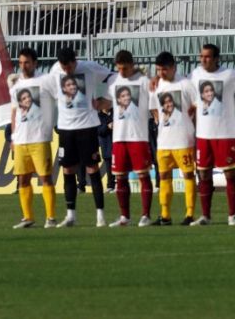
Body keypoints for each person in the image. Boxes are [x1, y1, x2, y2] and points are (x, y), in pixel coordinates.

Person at [46, 46, 114, 228]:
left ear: (75, 61)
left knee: (92, 169)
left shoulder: (89, 68)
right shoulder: (54, 70)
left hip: (87, 127)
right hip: (66, 129)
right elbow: (51, 93)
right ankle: (71, 216)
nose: (67, 70)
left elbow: (113, 77)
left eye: (69, 66)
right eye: (64, 67)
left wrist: (106, 99)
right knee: (68, 171)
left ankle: (100, 215)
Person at [99, 50, 153, 228]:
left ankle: (145, 215)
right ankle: (125, 217)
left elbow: (154, 105)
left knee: (143, 175)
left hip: (138, 137)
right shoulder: (114, 81)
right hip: (119, 137)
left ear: (132, 65)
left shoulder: (143, 81)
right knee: (120, 178)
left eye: (125, 68)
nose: (122, 71)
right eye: (119, 68)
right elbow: (107, 102)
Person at [9, 46, 56, 229]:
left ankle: (51, 218)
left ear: (35, 63)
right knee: (23, 179)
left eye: (27, 62)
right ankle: (28, 217)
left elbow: (60, 96)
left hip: (39, 138)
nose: (23, 66)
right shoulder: (16, 86)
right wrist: (13, 136)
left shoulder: (45, 81)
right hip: (21, 140)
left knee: (45, 178)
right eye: (20, 62)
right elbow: (13, 113)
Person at [149, 51, 197, 226]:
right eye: (159, 69)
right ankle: (165, 215)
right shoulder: (157, 86)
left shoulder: (186, 84)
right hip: (164, 141)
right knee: (163, 176)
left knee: (188, 175)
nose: (162, 73)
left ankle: (190, 213)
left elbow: (197, 107)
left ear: (173, 67)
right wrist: (158, 120)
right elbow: (154, 108)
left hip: (184, 139)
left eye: (165, 69)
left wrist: (195, 131)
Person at [189, 44, 235, 226]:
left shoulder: (229, 75)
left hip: (225, 133)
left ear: (217, 58)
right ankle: (206, 216)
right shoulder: (195, 75)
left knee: (230, 175)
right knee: (204, 174)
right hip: (203, 134)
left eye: (207, 57)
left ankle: (232, 215)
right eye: (201, 56)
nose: (203, 60)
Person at [98, 107, 115, 192]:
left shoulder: (115, 112)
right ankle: (110, 185)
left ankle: (119, 184)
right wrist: (108, 126)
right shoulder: (98, 116)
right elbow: (99, 131)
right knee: (109, 166)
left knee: (120, 164)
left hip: (117, 143)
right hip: (107, 144)